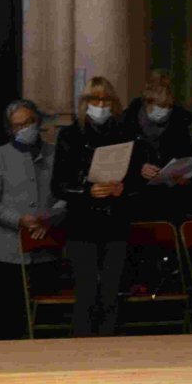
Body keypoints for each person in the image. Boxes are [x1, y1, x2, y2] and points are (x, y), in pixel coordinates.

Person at [52, 77, 143, 337]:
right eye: (95, 100)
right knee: (87, 290)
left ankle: (109, 344)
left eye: (105, 100)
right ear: (85, 103)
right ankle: (83, 346)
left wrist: (124, 188)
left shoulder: (126, 134)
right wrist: (87, 191)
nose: (100, 105)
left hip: (116, 221)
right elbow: (58, 185)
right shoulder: (70, 135)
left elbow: (137, 180)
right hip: (83, 222)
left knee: (112, 290)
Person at [0, 100, 65, 340]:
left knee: (48, 315)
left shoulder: (54, 152)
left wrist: (47, 218)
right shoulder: (0, 155)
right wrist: (19, 220)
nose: (24, 129)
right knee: (11, 316)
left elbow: (66, 194)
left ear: (37, 121)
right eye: (18, 126)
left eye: (28, 122)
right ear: (11, 129)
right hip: (10, 246)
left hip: (46, 241)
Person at [122, 71, 192, 223]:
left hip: (171, 195)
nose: (163, 111)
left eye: (167, 106)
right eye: (159, 106)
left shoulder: (179, 122)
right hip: (137, 195)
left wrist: (185, 175)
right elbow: (120, 159)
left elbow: (186, 156)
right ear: (147, 103)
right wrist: (139, 168)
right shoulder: (127, 122)